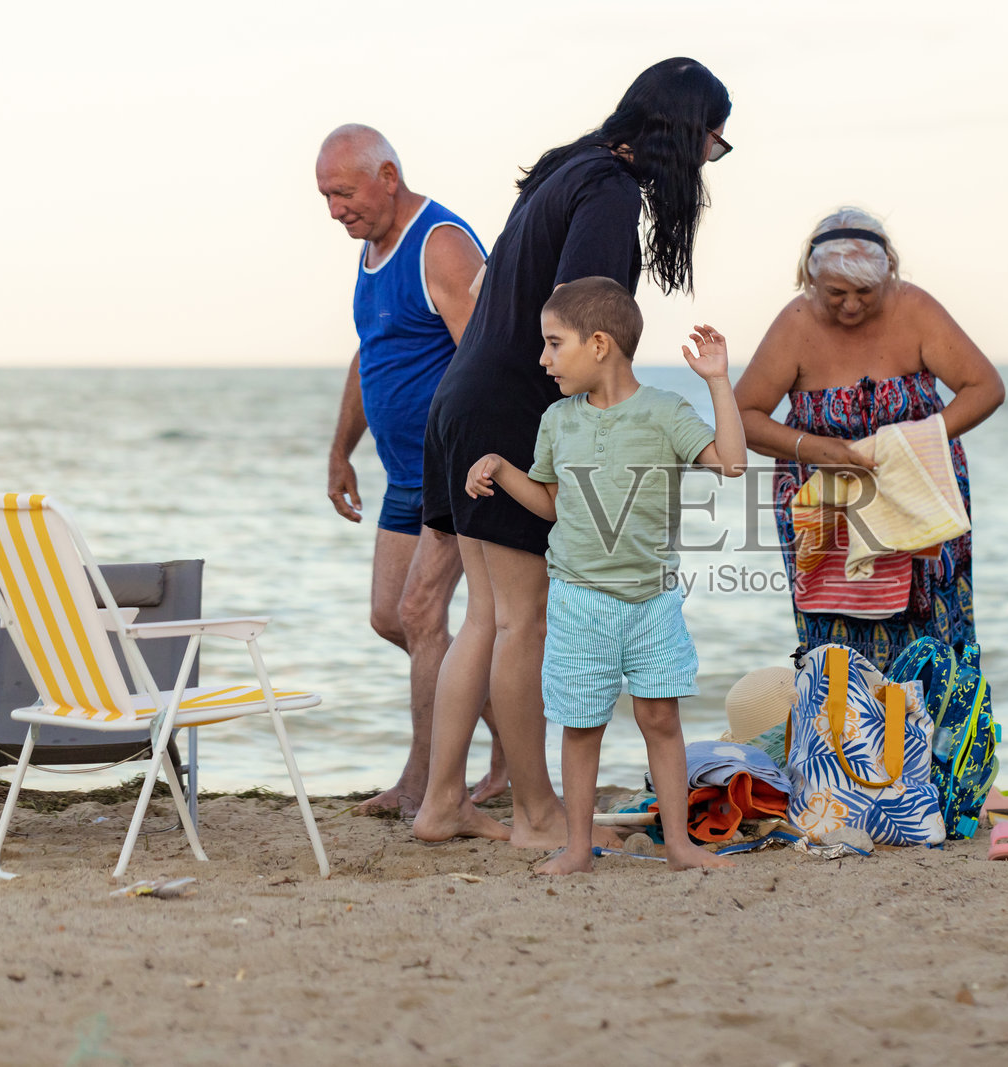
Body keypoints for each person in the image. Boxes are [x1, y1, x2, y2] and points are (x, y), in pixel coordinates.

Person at [414, 59, 732, 847]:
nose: (706, 166)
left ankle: (442, 803)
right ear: (683, 133)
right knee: (525, 619)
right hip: (516, 402)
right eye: (711, 147)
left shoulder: (565, 168)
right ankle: (537, 815)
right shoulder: (612, 189)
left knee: (487, 614)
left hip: (463, 396)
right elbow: (578, 311)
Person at [464, 277, 744, 873]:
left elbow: (734, 465)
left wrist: (718, 381)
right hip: (577, 598)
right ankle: (575, 847)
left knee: (660, 719)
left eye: (552, 343)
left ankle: (678, 845)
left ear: (598, 345)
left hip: (651, 600)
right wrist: (501, 469)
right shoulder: (557, 420)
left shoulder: (666, 411)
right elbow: (552, 504)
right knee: (582, 725)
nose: (543, 359)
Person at [315, 123, 507, 818]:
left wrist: (484, 466)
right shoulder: (370, 252)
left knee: (422, 613)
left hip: (454, 468)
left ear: (387, 176)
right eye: (326, 197)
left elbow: (487, 362)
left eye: (343, 193)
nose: (335, 209)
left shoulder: (443, 245)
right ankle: (509, 736)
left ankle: (423, 784)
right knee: (388, 616)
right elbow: (372, 356)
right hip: (403, 473)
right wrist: (342, 449)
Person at [734, 207, 1006, 669]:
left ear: (891, 277)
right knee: (837, 643)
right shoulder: (796, 323)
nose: (852, 305)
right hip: (826, 508)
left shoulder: (915, 308)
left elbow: (986, 388)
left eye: (866, 292)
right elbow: (742, 414)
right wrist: (818, 450)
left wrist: (910, 443)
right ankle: (847, 737)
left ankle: (934, 734)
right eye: (836, 293)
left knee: (932, 638)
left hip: (917, 493)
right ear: (809, 279)